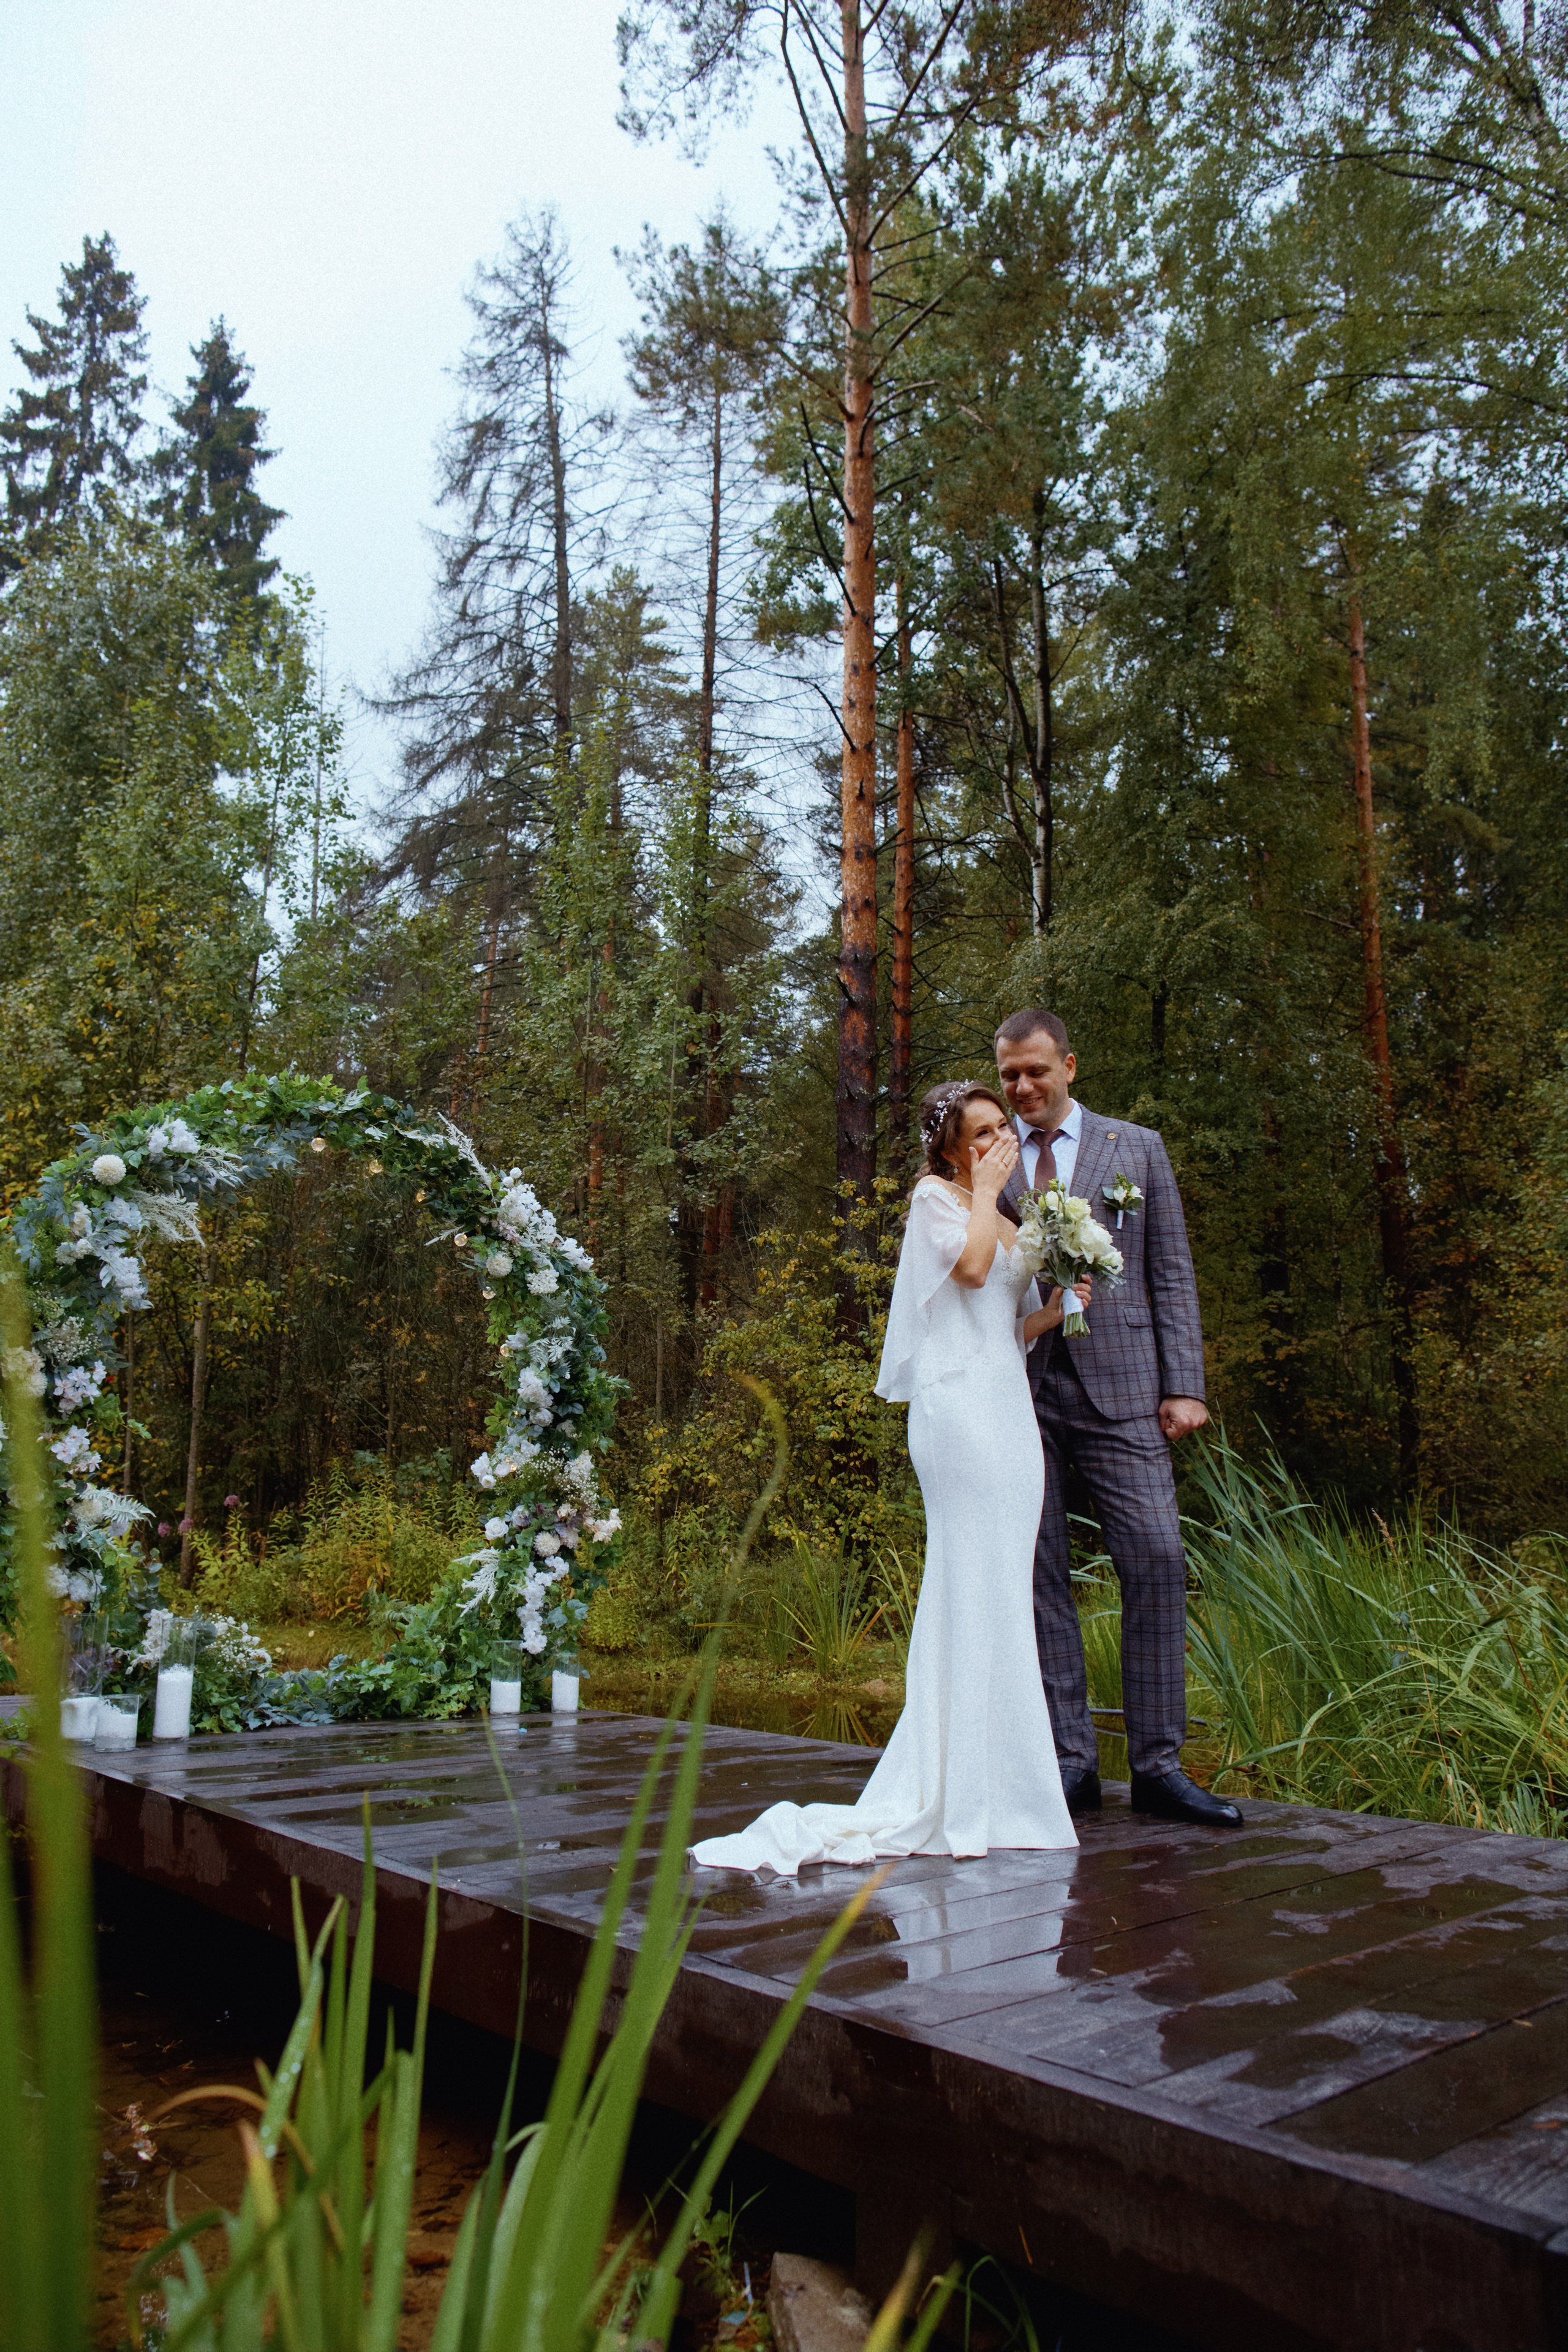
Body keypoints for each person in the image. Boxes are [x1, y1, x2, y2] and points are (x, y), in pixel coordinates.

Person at [690, 1082, 1085, 1875]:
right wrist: (981, 1189)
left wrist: (1064, 1305)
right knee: (967, 1581)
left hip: (1009, 1414)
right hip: (958, 1413)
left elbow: (1007, 1324)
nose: (995, 1146)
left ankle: (1007, 1789)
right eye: (978, 1135)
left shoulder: (1007, 1215)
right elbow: (971, 1275)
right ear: (948, 1148)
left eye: (999, 1131)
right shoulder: (939, 1200)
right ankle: (951, 1789)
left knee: (1004, 1586)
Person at [993, 1008, 1242, 1828]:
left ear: (1069, 1064)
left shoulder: (1135, 1148)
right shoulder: (989, 1158)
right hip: (1019, 1389)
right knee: (1041, 1579)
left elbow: (1171, 1270)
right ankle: (1069, 1765)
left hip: (1127, 1388)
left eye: (1035, 1071)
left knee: (1158, 1559)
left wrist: (1187, 1385)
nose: (1023, 1088)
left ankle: (1160, 1767)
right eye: (1009, 1076)